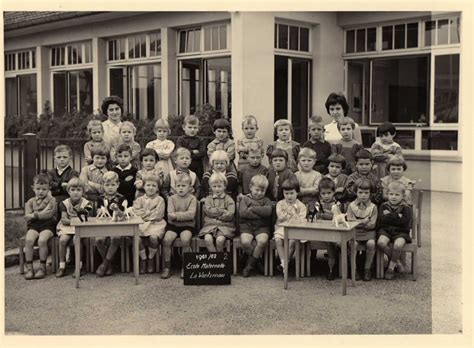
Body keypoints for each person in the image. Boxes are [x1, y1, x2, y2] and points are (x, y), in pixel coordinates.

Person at [162, 172, 198, 279]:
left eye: (183, 186)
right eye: (178, 186)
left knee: (185, 239)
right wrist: (179, 216)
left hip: (188, 225)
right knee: (167, 239)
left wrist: (176, 216)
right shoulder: (171, 199)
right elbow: (170, 215)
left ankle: (185, 266)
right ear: (174, 187)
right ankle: (167, 267)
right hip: (173, 225)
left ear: (190, 187)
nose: (181, 188)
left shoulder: (192, 199)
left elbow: (191, 214)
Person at [55, 178, 92, 278]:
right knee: (63, 240)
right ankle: (62, 265)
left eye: (79, 190)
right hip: (67, 227)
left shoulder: (87, 204)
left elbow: (85, 219)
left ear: (83, 191)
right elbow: (64, 220)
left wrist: (74, 221)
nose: (75, 192)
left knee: (77, 239)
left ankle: (79, 265)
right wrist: (74, 221)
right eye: (73, 190)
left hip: (81, 227)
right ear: (68, 191)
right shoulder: (64, 203)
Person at [23, 174, 57, 280]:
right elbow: (27, 217)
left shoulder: (52, 200)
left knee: (42, 241)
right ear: (33, 188)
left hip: (48, 225)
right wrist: (41, 213)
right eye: (38, 189)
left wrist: (34, 215)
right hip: (33, 226)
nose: (41, 191)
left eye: (44, 189)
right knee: (29, 240)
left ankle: (42, 267)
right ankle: (29, 268)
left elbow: (49, 214)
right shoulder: (30, 201)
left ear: (49, 189)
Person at [238, 175, 273, 277]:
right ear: (250, 187)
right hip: (247, 226)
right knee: (245, 242)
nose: (259, 193)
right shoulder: (245, 199)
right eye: (257, 190)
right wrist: (260, 212)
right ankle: (256, 261)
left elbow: (268, 212)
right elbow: (243, 213)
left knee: (262, 241)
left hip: (262, 227)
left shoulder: (266, 200)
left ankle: (249, 265)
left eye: (262, 190)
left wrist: (253, 208)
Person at [377, 181, 412, 280]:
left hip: (401, 232)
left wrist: (390, 215)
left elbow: (404, 223)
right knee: (381, 242)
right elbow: (382, 220)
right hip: (386, 230)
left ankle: (391, 267)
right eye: (391, 194)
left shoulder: (406, 208)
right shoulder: (383, 206)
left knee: (398, 245)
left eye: (397, 194)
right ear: (387, 194)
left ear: (403, 196)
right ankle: (397, 261)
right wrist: (397, 216)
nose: (393, 197)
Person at [132, 174, 166, 274]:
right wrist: (149, 213)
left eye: (154, 186)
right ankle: (143, 259)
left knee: (154, 238)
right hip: (141, 224)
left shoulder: (160, 200)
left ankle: (151, 258)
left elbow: (158, 215)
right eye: (148, 185)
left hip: (156, 224)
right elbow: (136, 212)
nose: (150, 188)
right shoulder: (139, 199)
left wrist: (145, 214)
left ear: (157, 188)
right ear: (143, 186)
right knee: (136, 239)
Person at [346, 178, 378, 281]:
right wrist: (363, 221)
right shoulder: (351, 206)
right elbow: (350, 222)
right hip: (355, 233)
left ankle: (367, 269)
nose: (363, 195)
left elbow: (372, 225)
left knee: (371, 244)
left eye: (366, 192)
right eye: (360, 192)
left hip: (369, 233)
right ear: (356, 192)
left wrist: (358, 222)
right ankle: (353, 269)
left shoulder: (373, 207)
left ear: (370, 193)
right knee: (353, 244)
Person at [95, 171, 125, 277]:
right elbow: (99, 213)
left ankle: (104, 264)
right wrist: (99, 211)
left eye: (113, 185)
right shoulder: (100, 198)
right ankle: (108, 263)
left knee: (115, 238)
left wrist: (117, 209)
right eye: (107, 185)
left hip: (117, 224)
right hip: (103, 225)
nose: (110, 187)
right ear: (103, 185)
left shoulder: (121, 198)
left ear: (118, 185)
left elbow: (123, 215)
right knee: (98, 240)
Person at [273, 177, 307, 273]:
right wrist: (288, 213)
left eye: (292, 193)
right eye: (286, 193)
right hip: (282, 228)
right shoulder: (280, 204)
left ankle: (285, 263)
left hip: (296, 229)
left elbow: (301, 220)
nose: (289, 196)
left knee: (292, 241)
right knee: (278, 239)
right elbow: (280, 217)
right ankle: (284, 262)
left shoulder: (301, 206)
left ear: (297, 193)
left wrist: (294, 214)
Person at [199, 172, 236, 252]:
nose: (217, 189)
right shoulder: (208, 199)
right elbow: (208, 211)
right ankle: (216, 261)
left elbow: (230, 214)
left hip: (225, 226)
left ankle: (220, 262)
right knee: (208, 239)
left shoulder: (229, 199)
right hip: (210, 225)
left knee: (220, 240)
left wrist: (215, 213)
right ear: (210, 187)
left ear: (225, 186)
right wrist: (222, 211)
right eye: (214, 186)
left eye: (219, 186)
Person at [317, 177, 339, 280]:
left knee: (332, 242)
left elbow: (336, 216)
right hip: (321, 230)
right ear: (320, 193)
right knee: (330, 242)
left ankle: (332, 268)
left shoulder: (336, 204)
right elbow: (316, 216)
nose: (326, 196)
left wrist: (325, 214)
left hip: (334, 230)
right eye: (323, 193)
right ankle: (331, 267)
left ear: (334, 192)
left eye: (329, 193)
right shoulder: (318, 204)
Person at [176, 115, 207, 179]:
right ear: (184, 127)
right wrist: (193, 151)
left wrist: (186, 152)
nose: (192, 130)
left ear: (198, 128)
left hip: (197, 166)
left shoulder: (201, 140)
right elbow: (180, 152)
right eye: (190, 127)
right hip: (183, 166)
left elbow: (202, 152)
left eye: (195, 128)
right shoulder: (180, 140)